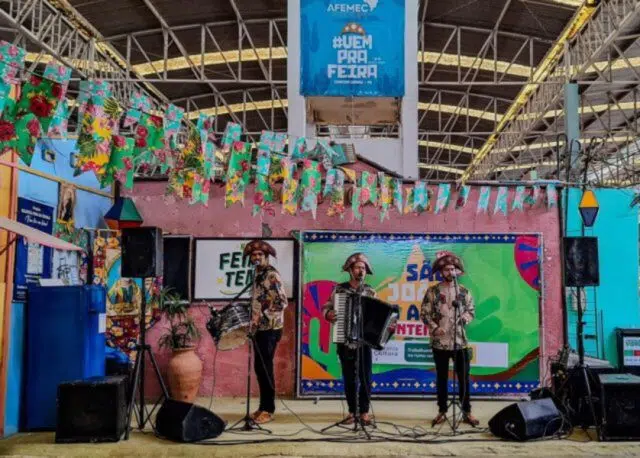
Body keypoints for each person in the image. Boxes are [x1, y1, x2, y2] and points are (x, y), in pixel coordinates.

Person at [323, 252, 395, 426]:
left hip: (365, 342)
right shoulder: (339, 290)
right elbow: (326, 306)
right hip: (345, 340)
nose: (360, 271)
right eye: (357, 267)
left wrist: (387, 326)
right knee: (349, 378)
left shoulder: (370, 291)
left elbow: (380, 315)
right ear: (350, 270)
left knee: (365, 378)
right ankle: (351, 412)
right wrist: (329, 314)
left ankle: (363, 412)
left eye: (363, 268)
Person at [420, 251, 479, 427]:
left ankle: (466, 411)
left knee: (464, 378)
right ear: (441, 272)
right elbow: (424, 313)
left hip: (460, 342)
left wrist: (465, 318)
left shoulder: (464, 292)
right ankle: (442, 411)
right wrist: (434, 328)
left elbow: (471, 311)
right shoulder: (433, 292)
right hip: (440, 343)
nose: (450, 272)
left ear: (457, 271)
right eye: (446, 269)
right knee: (442, 378)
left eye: (452, 269)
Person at [243, 239, 288, 425]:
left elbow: (281, 302)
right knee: (260, 369)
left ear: (266, 257)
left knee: (265, 369)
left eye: (260, 255)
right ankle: (262, 406)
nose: (256, 257)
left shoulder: (271, 275)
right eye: (253, 255)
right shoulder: (258, 274)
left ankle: (268, 410)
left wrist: (263, 315)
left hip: (270, 328)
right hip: (259, 328)